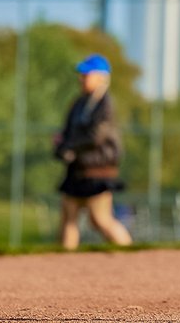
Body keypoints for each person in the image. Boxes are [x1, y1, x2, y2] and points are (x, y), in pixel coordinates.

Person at [54, 53, 133, 250]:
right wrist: (61, 145)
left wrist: (70, 147)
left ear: (101, 77)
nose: (82, 78)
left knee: (100, 219)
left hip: (97, 170)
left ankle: (130, 254)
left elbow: (96, 136)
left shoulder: (105, 105)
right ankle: (63, 265)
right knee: (68, 218)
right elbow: (68, 132)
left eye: (86, 74)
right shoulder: (80, 103)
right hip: (77, 170)